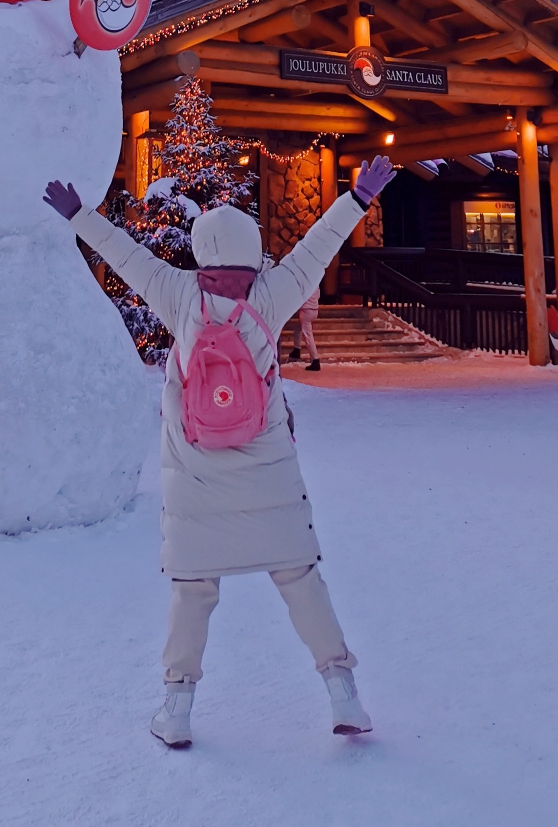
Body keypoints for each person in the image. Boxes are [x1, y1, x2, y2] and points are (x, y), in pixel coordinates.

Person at [43, 155, 397, 749]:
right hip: (269, 472)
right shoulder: (274, 291)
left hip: (196, 474)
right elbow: (318, 246)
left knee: (193, 589)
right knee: (300, 578)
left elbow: (126, 255)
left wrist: (79, 213)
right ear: (252, 249)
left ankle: (176, 709)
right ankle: (344, 695)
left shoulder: (177, 294)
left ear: (203, 250)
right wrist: (357, 199)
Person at [287, 285, 321, 370]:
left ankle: (315, 360)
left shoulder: (305, 284)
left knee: (307, 336)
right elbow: (318, 296)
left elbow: (299, 296)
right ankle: (296, 350)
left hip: (306, 310)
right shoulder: (315, 283)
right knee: (297, 327)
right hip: (314, 310)